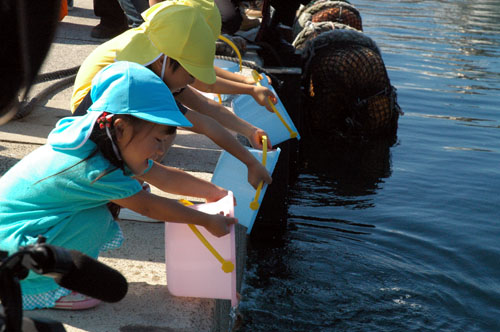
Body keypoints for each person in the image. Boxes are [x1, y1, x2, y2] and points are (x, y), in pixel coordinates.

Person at [0, 61, 238, 311]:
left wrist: (215, 193)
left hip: (12, 235)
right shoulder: (94, 170)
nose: (160, 151)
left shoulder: (93, 136)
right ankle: (44, 289)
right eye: (157, 140)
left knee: (96, 214)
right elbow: (149, 207)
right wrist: (206, 221)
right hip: (12, 252)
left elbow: (164, 177)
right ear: (121, 128)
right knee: (95, 220)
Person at [71, 0, 273, 189]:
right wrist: (250, 162)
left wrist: (250, 130)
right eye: (191, 73)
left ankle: (127, 167)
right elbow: (205, 122)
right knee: (162, 132)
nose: (193, 80)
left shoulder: (159, 56)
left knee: (163, 130)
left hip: (98, 116)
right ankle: (122, 174)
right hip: (91, 121)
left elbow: (205, 105)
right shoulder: (140, 81)